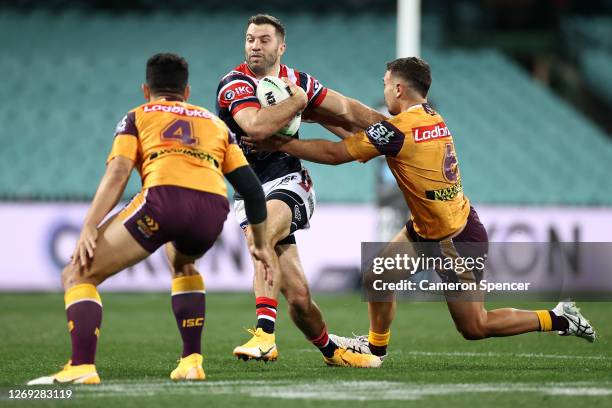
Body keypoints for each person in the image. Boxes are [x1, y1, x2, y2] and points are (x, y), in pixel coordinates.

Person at [245, 56, 596, 362]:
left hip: (455, 241)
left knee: (475, 327)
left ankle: (559, 317)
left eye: (385, 84)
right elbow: (360, 130)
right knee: (377, 277)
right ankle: (375, 349)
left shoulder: (401, 130)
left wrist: (281, 142)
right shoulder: (428, 118)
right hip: (427, 230)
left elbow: (337, 155)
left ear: (398, 89)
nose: (383, 91)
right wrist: (316, 116)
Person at [28, 53, 276, 385]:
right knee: (183, 263)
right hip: (211, 211)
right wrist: (259, 245)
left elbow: (118, 172)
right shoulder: (215, 124)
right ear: (187, 91)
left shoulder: (137, 116)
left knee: (77, 273)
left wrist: (89, 224)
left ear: (146, 90)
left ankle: (81, 366)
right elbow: (252, 191)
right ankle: (191, 361)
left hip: (163, 201)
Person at [216, 14, 384, 367]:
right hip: (248, 192)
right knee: (299, 298)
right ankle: (333, 351)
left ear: (281, 47)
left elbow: (348, 110)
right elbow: (256, 127)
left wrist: (396, 131)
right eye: (249, 39)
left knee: (259, 239)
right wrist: (297, 103)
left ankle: (264, 335)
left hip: (290, 183)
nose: (254, 46)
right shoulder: (234, 84)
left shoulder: (299, 81)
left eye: (263, 40)